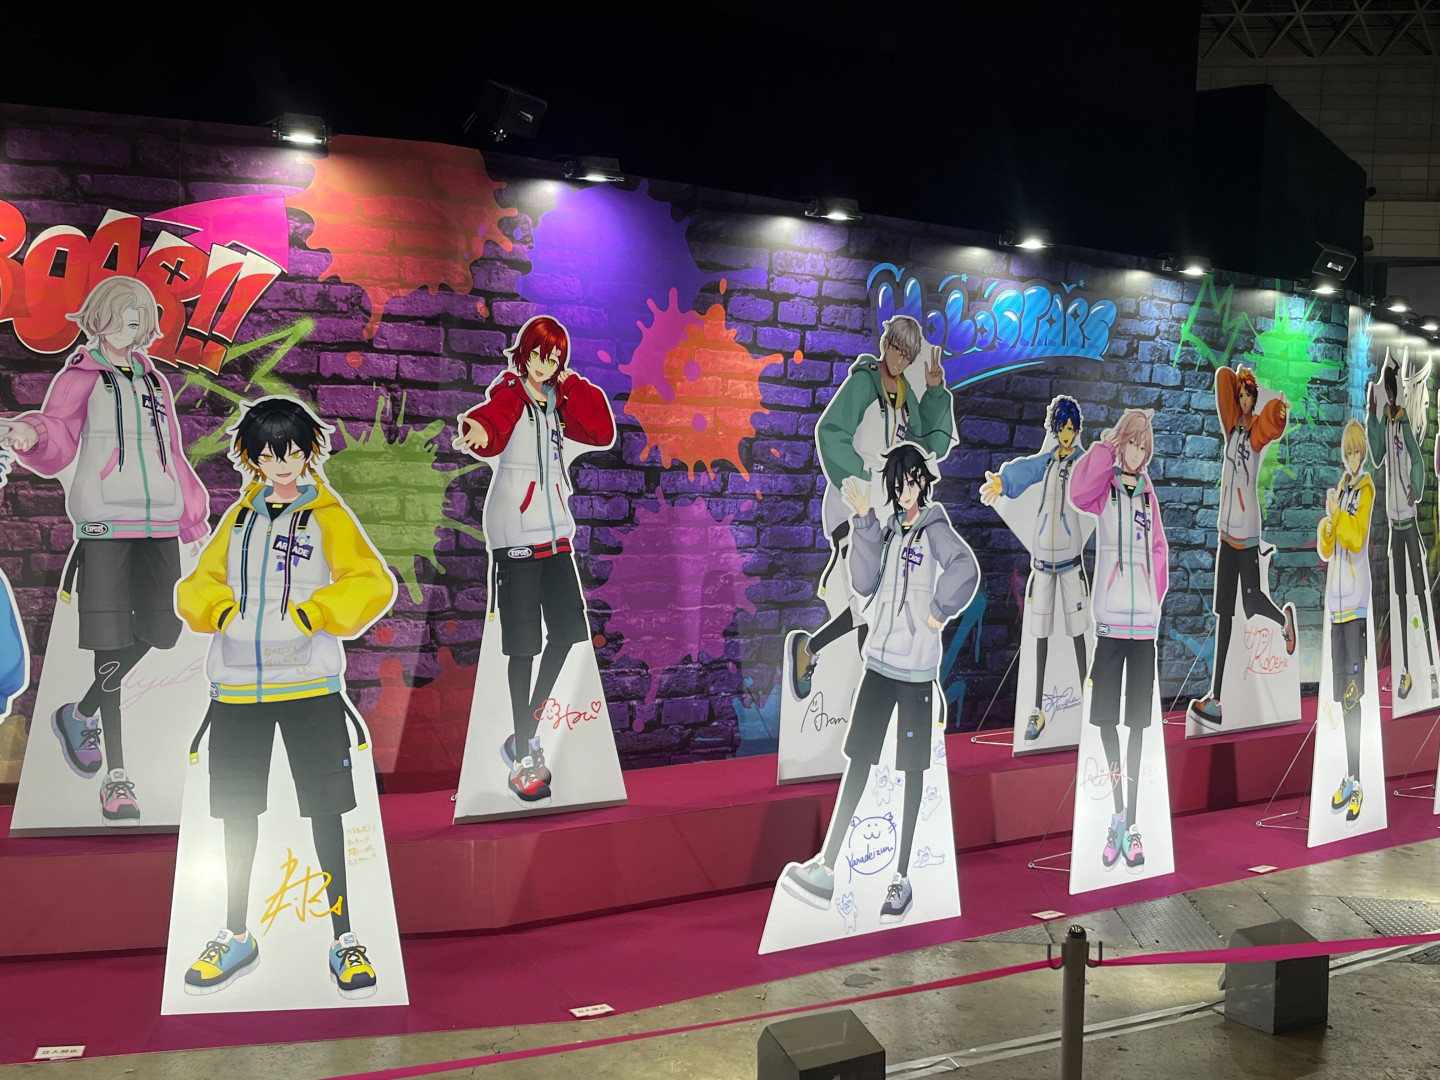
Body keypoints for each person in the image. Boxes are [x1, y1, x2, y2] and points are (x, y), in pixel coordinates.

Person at [175, 396, 396, 999]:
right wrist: (220, 610)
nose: (281, 464)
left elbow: (371, 581)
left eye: (292, 452)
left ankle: (345, 938)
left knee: (327, 811)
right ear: (252, 457)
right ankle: (235, 934)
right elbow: (199, 583)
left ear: (307, 453)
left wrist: (314, 613)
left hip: (310, 689)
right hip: (235, 691)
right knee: (236, 813)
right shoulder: (239, 518)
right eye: (269, 455)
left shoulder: (328, 515)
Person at [0, 277, 208, 826]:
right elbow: (57, 429)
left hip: (159, 524)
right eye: (123, 313)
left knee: (165, 628)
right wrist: (29, 434)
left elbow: (171, 452)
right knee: (110, 645)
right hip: (105, 525)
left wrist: (191, 516)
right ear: (100, 317)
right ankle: (118, 777)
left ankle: (81, 711)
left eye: (140, 315)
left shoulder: (153, 380)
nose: (133, 323)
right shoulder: (82, 376)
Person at [782, 442, 979, 924]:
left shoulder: (934, 528)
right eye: (898, 483)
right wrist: (865, 523)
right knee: (859, 760)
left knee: (913, 770)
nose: (905, 489)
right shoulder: (887, 531)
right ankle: (827, 867)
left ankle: (902, 877)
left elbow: (965, 568)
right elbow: (863, 583)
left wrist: (939, 610)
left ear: (923, 481)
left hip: (915, 673)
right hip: (879, 664)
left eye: (911, 480)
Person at [454, 315, 616, 804]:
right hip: (516, 536)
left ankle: (524, 731)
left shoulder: (558, 403)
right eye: (542, 356)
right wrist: (476, 430)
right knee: (523, 646)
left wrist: (573, 385)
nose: (547, 366)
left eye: (556, 358)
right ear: (525, 353)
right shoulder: (510, 393)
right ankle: (524, 753)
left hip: (556, 533)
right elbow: (491, 423)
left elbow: (601, 430)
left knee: (568, 631)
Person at [789, 315, 954, 699]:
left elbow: (928, 445)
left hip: (883, 514)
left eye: (907, 355)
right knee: (869, 604)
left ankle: (813, 652)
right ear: (886, 344)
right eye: (896, 349)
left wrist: (933, 393)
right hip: (851, 504)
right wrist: (863, 475)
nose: (899, 359)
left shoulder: (905, 396)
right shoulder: (864, 383)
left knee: (875, 604)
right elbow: (831, 431)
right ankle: (870, 698)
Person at [1069, 409, 1168, 870]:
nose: (1138, 453)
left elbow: (1159, 550)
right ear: (1122, 442)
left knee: (1138, 726)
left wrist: (1152, 595)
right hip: (1109, 625)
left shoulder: (1148, 496)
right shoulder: (1103, 489)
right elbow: (1077, 490)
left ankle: (1132, 824)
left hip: (1143, 628)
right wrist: (1105, 448)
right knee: (1107, 720)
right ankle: (1119, 814)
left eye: (1144, 447)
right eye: (1133, 443)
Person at [1188, 366, 1295, 728]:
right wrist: (1237, 376)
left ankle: (1283, 620)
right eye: (1242, 395)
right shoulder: (1232, 429)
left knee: (1251, 602)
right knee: (1224, 614)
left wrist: (1278, 411)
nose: (1245, 400)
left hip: (1246, 532)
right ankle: (1216, 699)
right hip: (1225, 532)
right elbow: (1222, 379)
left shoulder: (1254, 433)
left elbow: (1270, 425)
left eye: (1249, 395)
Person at [979, 395, 1090, 740]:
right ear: (1055, 429)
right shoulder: (1049, 461)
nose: (1067, 434)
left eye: (1071, 428)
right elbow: (1028, 469)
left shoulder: (1083, 463)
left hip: (1070, 563)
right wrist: (1004, 482)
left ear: (1077, 429)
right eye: (1062, 428)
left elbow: (1099, 477)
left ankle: (1090, 704)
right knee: (1040, 633)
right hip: (1043, 560)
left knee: (1078, 631)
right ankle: (1038, 709)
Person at [1367, 356, 1436, 701]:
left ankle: (1432, 665)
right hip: (1394, 525)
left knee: (1420, 590)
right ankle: (1405, 670)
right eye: (1388, 392)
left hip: (1408, 521)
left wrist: (1415, 487)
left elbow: (1418, 459)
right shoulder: (1386, 420)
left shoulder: (1404, 422)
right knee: (1398, 594)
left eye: (1393, 392)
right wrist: (1372, 416)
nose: (1391, 397)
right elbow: (1378, 454)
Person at [1318, 419, 1374, 824]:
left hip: (1355, 604)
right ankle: (1349, 776)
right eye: (1348, 452)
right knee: (1342, 697)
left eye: (1357, 452)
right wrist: (1328, 521)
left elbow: (1355, 538)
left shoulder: (1366, 490)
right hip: (1337, 606)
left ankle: (1357, 781)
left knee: (1354, 696)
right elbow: (1329, 545)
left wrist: (1337, 516)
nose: (1352, 458)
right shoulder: (1342, 488)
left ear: (1364, 453)